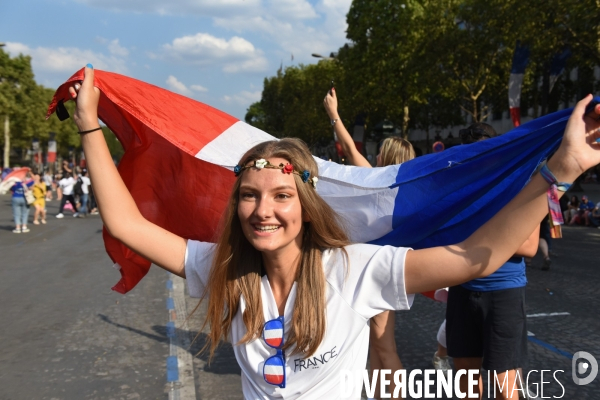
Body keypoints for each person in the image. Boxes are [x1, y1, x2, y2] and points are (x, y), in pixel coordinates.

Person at [70, 65, 600, 399]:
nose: (263, 211)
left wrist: (560, 171)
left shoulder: (355, 268)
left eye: (281, 197)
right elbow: (126, 224)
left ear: (307, 206)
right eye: (249, 196)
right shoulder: (222, 270)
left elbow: (475, 257)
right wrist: (91, 125)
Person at [324, 87, 415, 397]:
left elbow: (349, 148)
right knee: (377, 343)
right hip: (390, 271)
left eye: (379, 153)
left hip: (378, 272)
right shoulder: (406, 191)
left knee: (384, 344)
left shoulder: (382, 183)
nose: (373, 156)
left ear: (386, 158)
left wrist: (333, 113)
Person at [447, 122, 540, 400]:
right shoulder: (460, 188)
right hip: (462, 288)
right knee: (464, 381)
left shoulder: (520, 183)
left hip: (504, 294)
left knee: (505, 385)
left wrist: (473, 236)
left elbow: (529, 245)